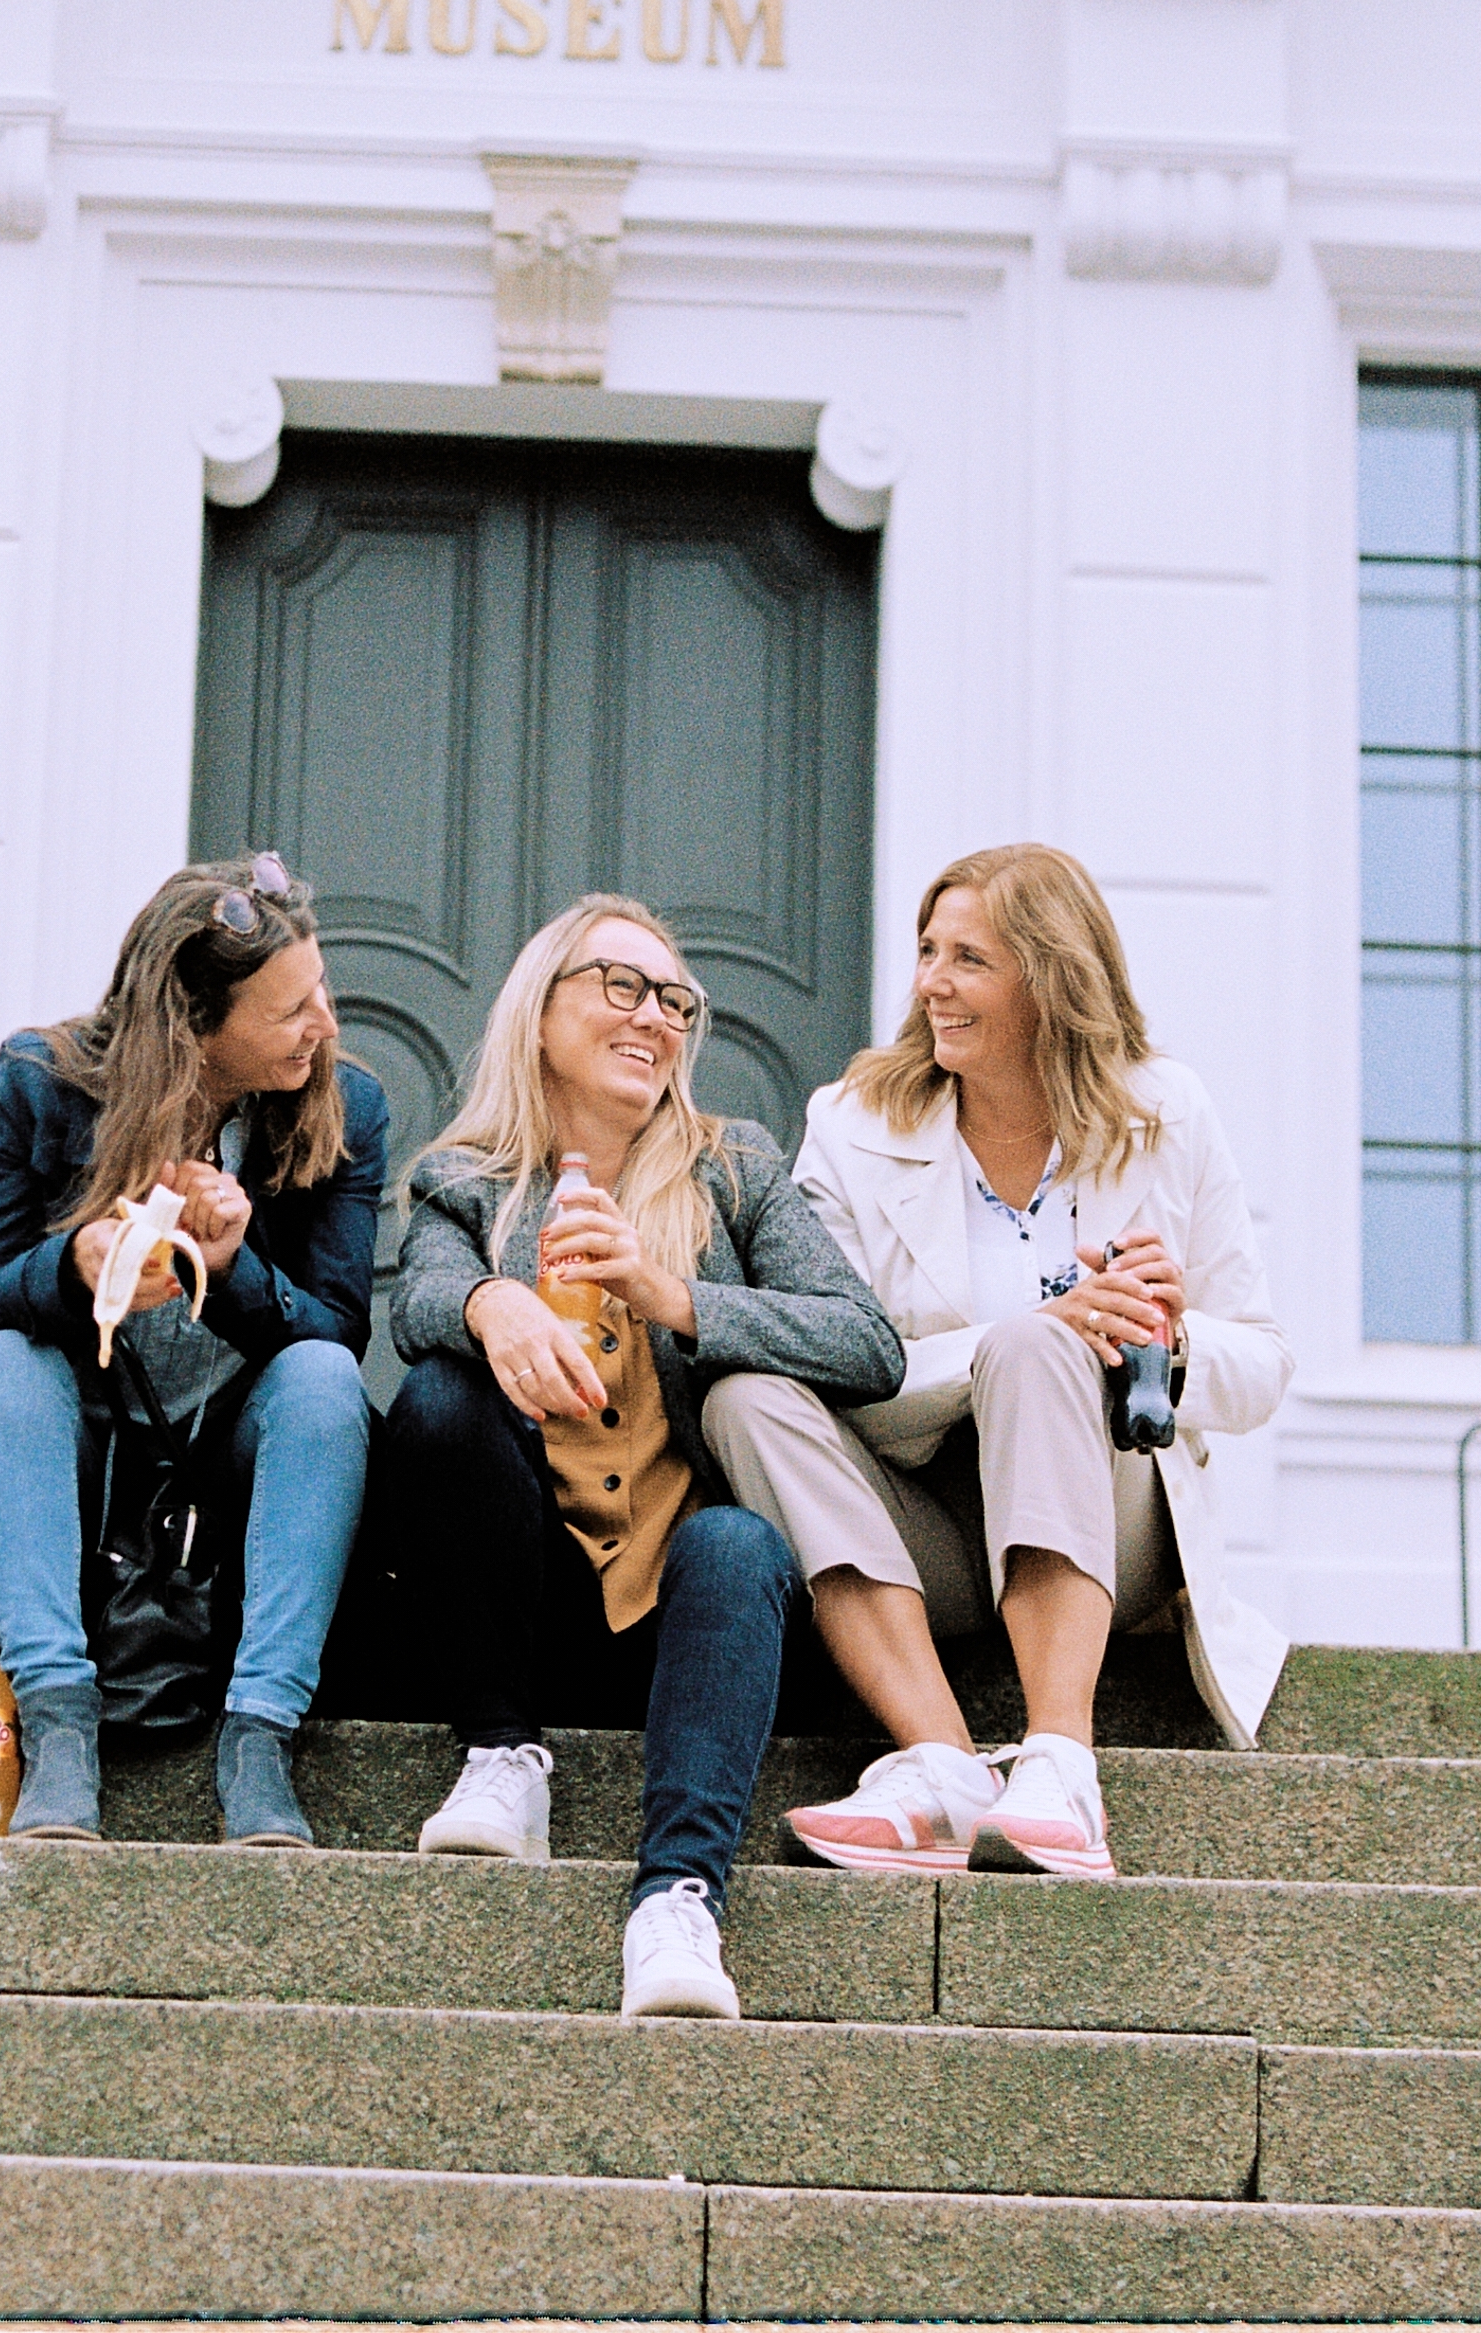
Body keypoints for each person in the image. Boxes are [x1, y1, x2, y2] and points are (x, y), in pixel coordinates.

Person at [381, 896, 905, 2020]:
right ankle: (503, 1757)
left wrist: (676, 1296)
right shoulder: (467, 1182)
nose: (654, 1016)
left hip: (698, 1616)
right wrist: (489, 1302)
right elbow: (415, 1301)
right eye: (619, 984)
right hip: (537, 1605)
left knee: (736, 1537)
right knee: (437, 1399)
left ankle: (678, 1899)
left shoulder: (738, 1171)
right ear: (541, 1011)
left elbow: (868, 1341)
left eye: (674, 999)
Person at [750, 841, 1292, 1883]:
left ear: (1051, 977)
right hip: (925, 1520)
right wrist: (1003, 1345)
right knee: (752, 1393)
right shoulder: (852, 1124)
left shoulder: (1166, 1111)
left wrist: (1169, 1340)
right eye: (926, 950)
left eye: (968, 958)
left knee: (1049, 1346)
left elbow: (1264, 1364)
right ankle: (944, 1762)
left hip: (1109, 1525)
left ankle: (1060, 1767)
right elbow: (834, 1356)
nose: (930, 983)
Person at [0, 852, 388, 1847]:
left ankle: (261, 1735)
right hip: (80, 1445)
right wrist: (75, 1261)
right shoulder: (40, 1080)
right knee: (8, 1356)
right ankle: (57, 1728)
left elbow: (340, 1330)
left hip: (233, 1457)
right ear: (195, 1023)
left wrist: (231, 1271)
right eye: (290, 1007)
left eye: (321, 990)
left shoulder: (346, 1107)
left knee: (319, 1376)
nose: (323, 1022)